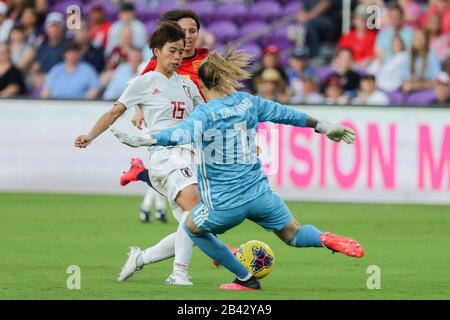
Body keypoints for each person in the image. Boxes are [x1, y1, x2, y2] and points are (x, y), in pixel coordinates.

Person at [111, 50, 364, 290]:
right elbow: (285, 113)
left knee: (191, 227)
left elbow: (179, 133)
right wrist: (324, 126)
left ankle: (245, 278)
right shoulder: (248, 102)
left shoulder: (205, 113)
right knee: (293, 234)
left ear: (202, 85)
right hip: (261, 195)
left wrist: (147, 139)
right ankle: (325, 238)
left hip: (224, 204)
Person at [74, 22, 204, 285]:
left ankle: (140, 258)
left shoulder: (189, 85)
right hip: (164, 157)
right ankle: (178, 274)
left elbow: (206, 117)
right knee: (195, 209)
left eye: (181, 51)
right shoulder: (143, 83)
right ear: (156, 51)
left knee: (195, 225)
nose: (178, 56)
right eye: (172, 50)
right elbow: (114, 112)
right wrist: (89, 136)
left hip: (189, 158)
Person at [121, 9, 209, 224]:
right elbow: (144, 88)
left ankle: (140, 173)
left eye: (192, 30)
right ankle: (217, 249)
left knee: (197, 191)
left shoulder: (207, 59)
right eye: (183, 31)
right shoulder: (158, 62)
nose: (188, 35)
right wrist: (139, 110)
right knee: (188, 192)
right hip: (172, 133)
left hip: (204, 128)